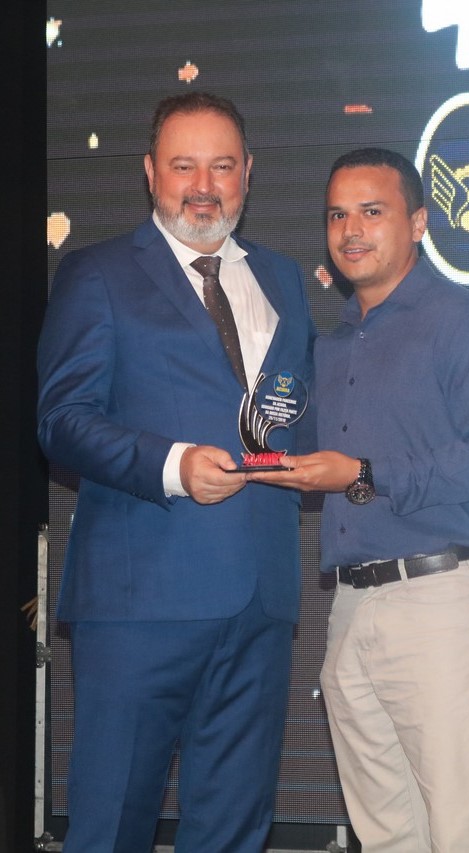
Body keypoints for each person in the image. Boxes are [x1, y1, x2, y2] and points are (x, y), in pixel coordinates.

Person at [37, 92, 314, 853]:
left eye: (221, 166)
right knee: (111, 827)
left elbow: (294, 411)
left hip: (259, 602)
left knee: (233, 828)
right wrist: (172, 464)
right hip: (140, 603)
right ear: (150, 172)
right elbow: (61, 418)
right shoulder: (97, 273)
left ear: (248, 172)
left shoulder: (283, 279)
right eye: (183, 165)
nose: (203, 185)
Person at [248, 148, 469, 852]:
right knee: (385, 835)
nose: (351, 230)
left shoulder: (461, 320)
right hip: (351, 603)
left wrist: (363, 471)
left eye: (372, 211)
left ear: (419, 223)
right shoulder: (331, 347)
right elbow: (317, 461)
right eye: (337, 214)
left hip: (443, 595)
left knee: (462, 831)